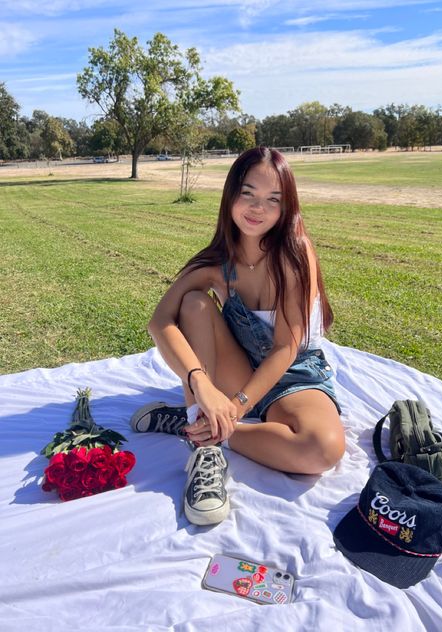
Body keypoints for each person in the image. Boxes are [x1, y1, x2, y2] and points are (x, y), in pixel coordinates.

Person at [130, 146, 345, 526]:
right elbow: (159, 322)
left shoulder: (295, 254)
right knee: (194, 304)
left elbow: (285, 347)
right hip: (240, 366)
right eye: (248, 193)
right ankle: (201, 417)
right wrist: (203, 385)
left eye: (272, 199)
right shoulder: (217, 263)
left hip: (294, 372)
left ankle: (204, 428)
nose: (257, 208)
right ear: (231, 194)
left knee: (320, 449)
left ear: (286, 206)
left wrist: (234, 409)